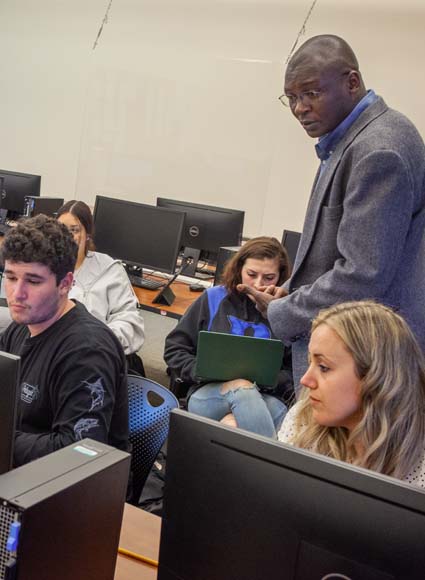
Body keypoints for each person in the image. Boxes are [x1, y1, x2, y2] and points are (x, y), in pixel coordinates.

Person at [238, 35, 425, 389]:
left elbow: (362, 275)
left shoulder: (378, 150)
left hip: (367, 362)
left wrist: (283, 311)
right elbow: (335, 253)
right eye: (291, 98)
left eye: (310, 93)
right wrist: (290, 291)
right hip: (358, 352)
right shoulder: (354, 138)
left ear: (351, 82)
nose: (299, 108)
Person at [0, 214, 129, 467]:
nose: (17, 293)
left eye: (33, 281)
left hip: (75, 492)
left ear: (65, 284)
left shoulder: (87, 351)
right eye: (11, 277)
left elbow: (78, 451)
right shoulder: (21, 327)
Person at [278, 301, 425, 488]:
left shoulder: (420, 462)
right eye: (310, 363)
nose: (306, 381)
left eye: (323, 367)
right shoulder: (301, 419)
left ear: (376, 378)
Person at [164, 237, 293, 438]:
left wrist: (268, 381)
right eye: (251, 274)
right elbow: (175, 349)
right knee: (242, 389)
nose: (258, 284)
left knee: (236, 423)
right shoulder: (213, 297)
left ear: (281, 277)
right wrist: (203, 369)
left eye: (269, 277)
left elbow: (296, 373)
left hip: (267, 396)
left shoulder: (286, 311)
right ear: (239, 269)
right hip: (209, 393)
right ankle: (270, 467)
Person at [57, 200, 145, 375]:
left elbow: (129, 321)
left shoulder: (109, 270)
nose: (67, 236)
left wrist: (97, 340)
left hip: (99, 356)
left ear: (87, 234)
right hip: (57, 352)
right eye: (61, 229)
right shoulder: (46, 266)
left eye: (74, 230)